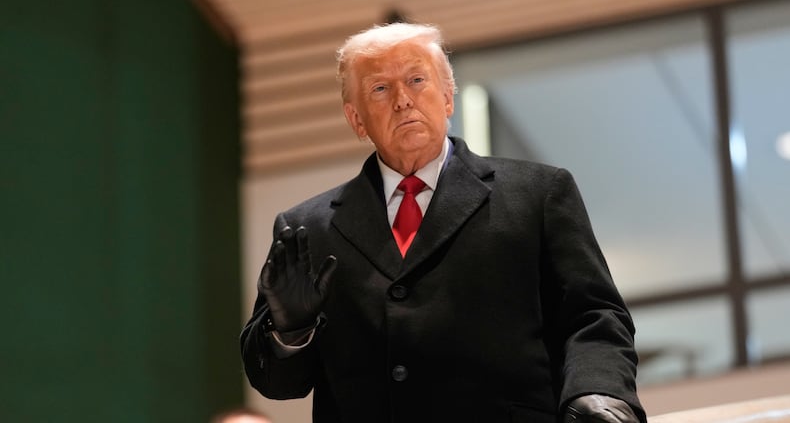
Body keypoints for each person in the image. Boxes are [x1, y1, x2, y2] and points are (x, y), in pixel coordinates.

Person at [240, 22, 646, 423]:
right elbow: (278, 384)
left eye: (417, 80)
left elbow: (594, 315)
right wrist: (291, 331)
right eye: (380, 88)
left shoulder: (539, 193)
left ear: (448, 96)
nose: (403, 100)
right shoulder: (307, 230)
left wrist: (599, 390)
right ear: (356, 119)